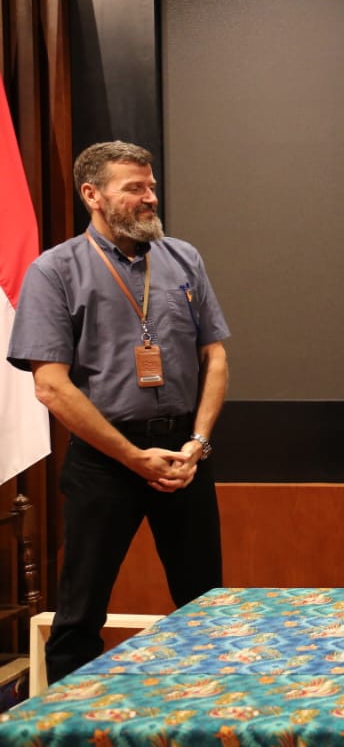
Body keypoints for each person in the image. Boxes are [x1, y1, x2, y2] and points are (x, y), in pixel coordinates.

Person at [7, 141, 230, 683]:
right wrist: (132, 457)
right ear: (93, 195)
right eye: (134, 188)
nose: (151, 197)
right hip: (104, 459)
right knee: (80, 613)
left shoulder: (183, 258)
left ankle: (211, 707)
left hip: (183, 456)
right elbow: (51, 386)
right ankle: (67, 718)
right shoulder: (54, 271)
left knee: (207, 606)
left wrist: (197, 444)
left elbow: (216, 356)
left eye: (151, 185)